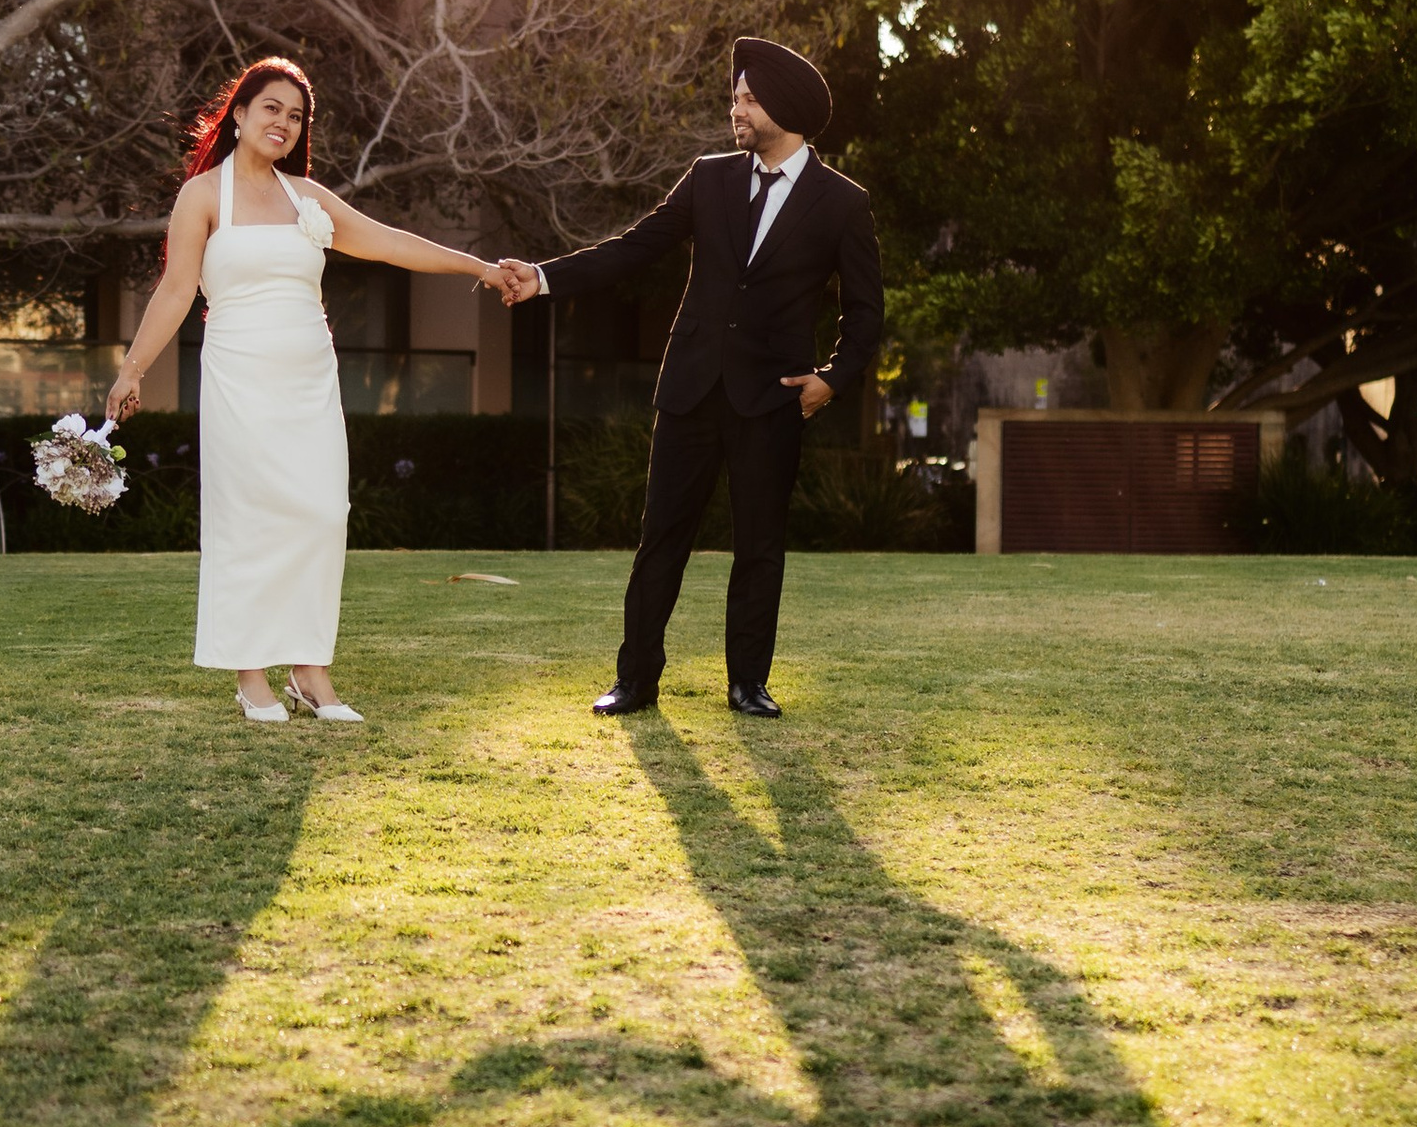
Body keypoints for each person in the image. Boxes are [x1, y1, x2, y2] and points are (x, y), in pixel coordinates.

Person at [106, 56, 504, 723]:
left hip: (310, 378)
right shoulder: (203, 196)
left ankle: (311, 671)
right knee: (248, 518)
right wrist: (131, 369)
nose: (282, 123)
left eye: (295, 116)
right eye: (271, 109)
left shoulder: (307, 199)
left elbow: (389, 243)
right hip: (240, 375)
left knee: (321, 514)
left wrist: (482, 268)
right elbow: (176, 290)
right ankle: (250, 673)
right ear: (238, 114)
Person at [496, 37, 882, 717]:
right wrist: (544, 278)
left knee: (760, 548)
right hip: (690, 390)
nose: (735, 108)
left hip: (774, 402)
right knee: (660, 541)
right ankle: (635, 681)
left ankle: (748, 685)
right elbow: (634, 248)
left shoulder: (842, 203)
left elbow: (866, 312)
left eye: (747, 99)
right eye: (736, 96)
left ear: (781, 109)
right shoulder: (708, 178)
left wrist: (833, 379)